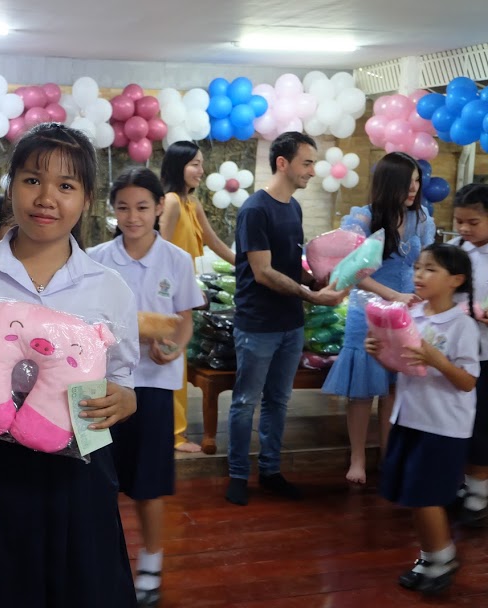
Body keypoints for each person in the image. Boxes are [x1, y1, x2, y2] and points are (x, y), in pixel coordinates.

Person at [0, 122, 140, 608]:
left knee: (79, 590)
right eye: (32, 180)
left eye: (66, 186)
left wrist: (125, 401)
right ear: (11, 184)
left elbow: (123, 382)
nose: (46, 198)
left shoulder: (110, 289)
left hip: (76, 468)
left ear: (87, 198)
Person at [88, 167, 204, 607]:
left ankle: (151, 564)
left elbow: (184, 320)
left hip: (153, 386)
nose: (132, 217)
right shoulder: (96, 258)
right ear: (112, 211)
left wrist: (174, 348)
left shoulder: (176, 260)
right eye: (123, 208)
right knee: (97, 480)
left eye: (141, 207)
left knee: (147, 483)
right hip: (103, 384)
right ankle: (99, 562)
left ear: (159, 208)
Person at [225, 131, 348, 507]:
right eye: (307, 163)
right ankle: (237, 475)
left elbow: (290, 266)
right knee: (246, 401)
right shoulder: (255, 210)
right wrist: (311, 295)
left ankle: (271, 470)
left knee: (278, 400)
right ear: (283, 163)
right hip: (258, 324)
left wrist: (318, 280)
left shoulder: (293, 207)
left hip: (291, 324)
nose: (312, 171)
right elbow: (263, 272)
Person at [365, 243, 479, 594]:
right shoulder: (411, 315)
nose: (419, 275)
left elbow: (467, 382)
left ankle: (442, 558)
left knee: (426, 495)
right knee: (413, 494)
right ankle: (430, 556)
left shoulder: (462, 325)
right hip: (410, 417)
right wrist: (380, 354)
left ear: (455, 280)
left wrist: (436, 359)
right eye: (417, 267)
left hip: (443, 425)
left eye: (430, 269)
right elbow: (404, 367)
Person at [321, 152, 433, 485]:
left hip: (407, 312)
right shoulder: (363, 218)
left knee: (395, 388)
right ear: (388, 182)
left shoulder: (422, 218)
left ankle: (388, 455)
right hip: (367, 311)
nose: (413, 189)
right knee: (361, 391)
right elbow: (350, 272)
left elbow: (425, 264)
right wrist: (392, 295)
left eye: (417, 181)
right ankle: (357, 458)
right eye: (407, 182)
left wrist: (421, 295)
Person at [159, 140, 235, 455]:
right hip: (169, 295)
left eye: (201, 164)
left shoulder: (192, 203)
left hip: (184, 296)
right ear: (179, 166)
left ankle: (172, 432)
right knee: (171, 364)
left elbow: (215, 242)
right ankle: (173, 435)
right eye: (195, 164)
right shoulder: (171, 202)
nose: (201, 170)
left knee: (177, 363)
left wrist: (245, 265)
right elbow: (160, 250)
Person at [449, 183, 488, 525]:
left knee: (481, 426)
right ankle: (462, 484)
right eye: (459, 221)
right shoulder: (454, 251)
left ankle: (478, 495)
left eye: (473, 222)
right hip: (456, 353)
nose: (464, 228)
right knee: (458, 421)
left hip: (486, 355)